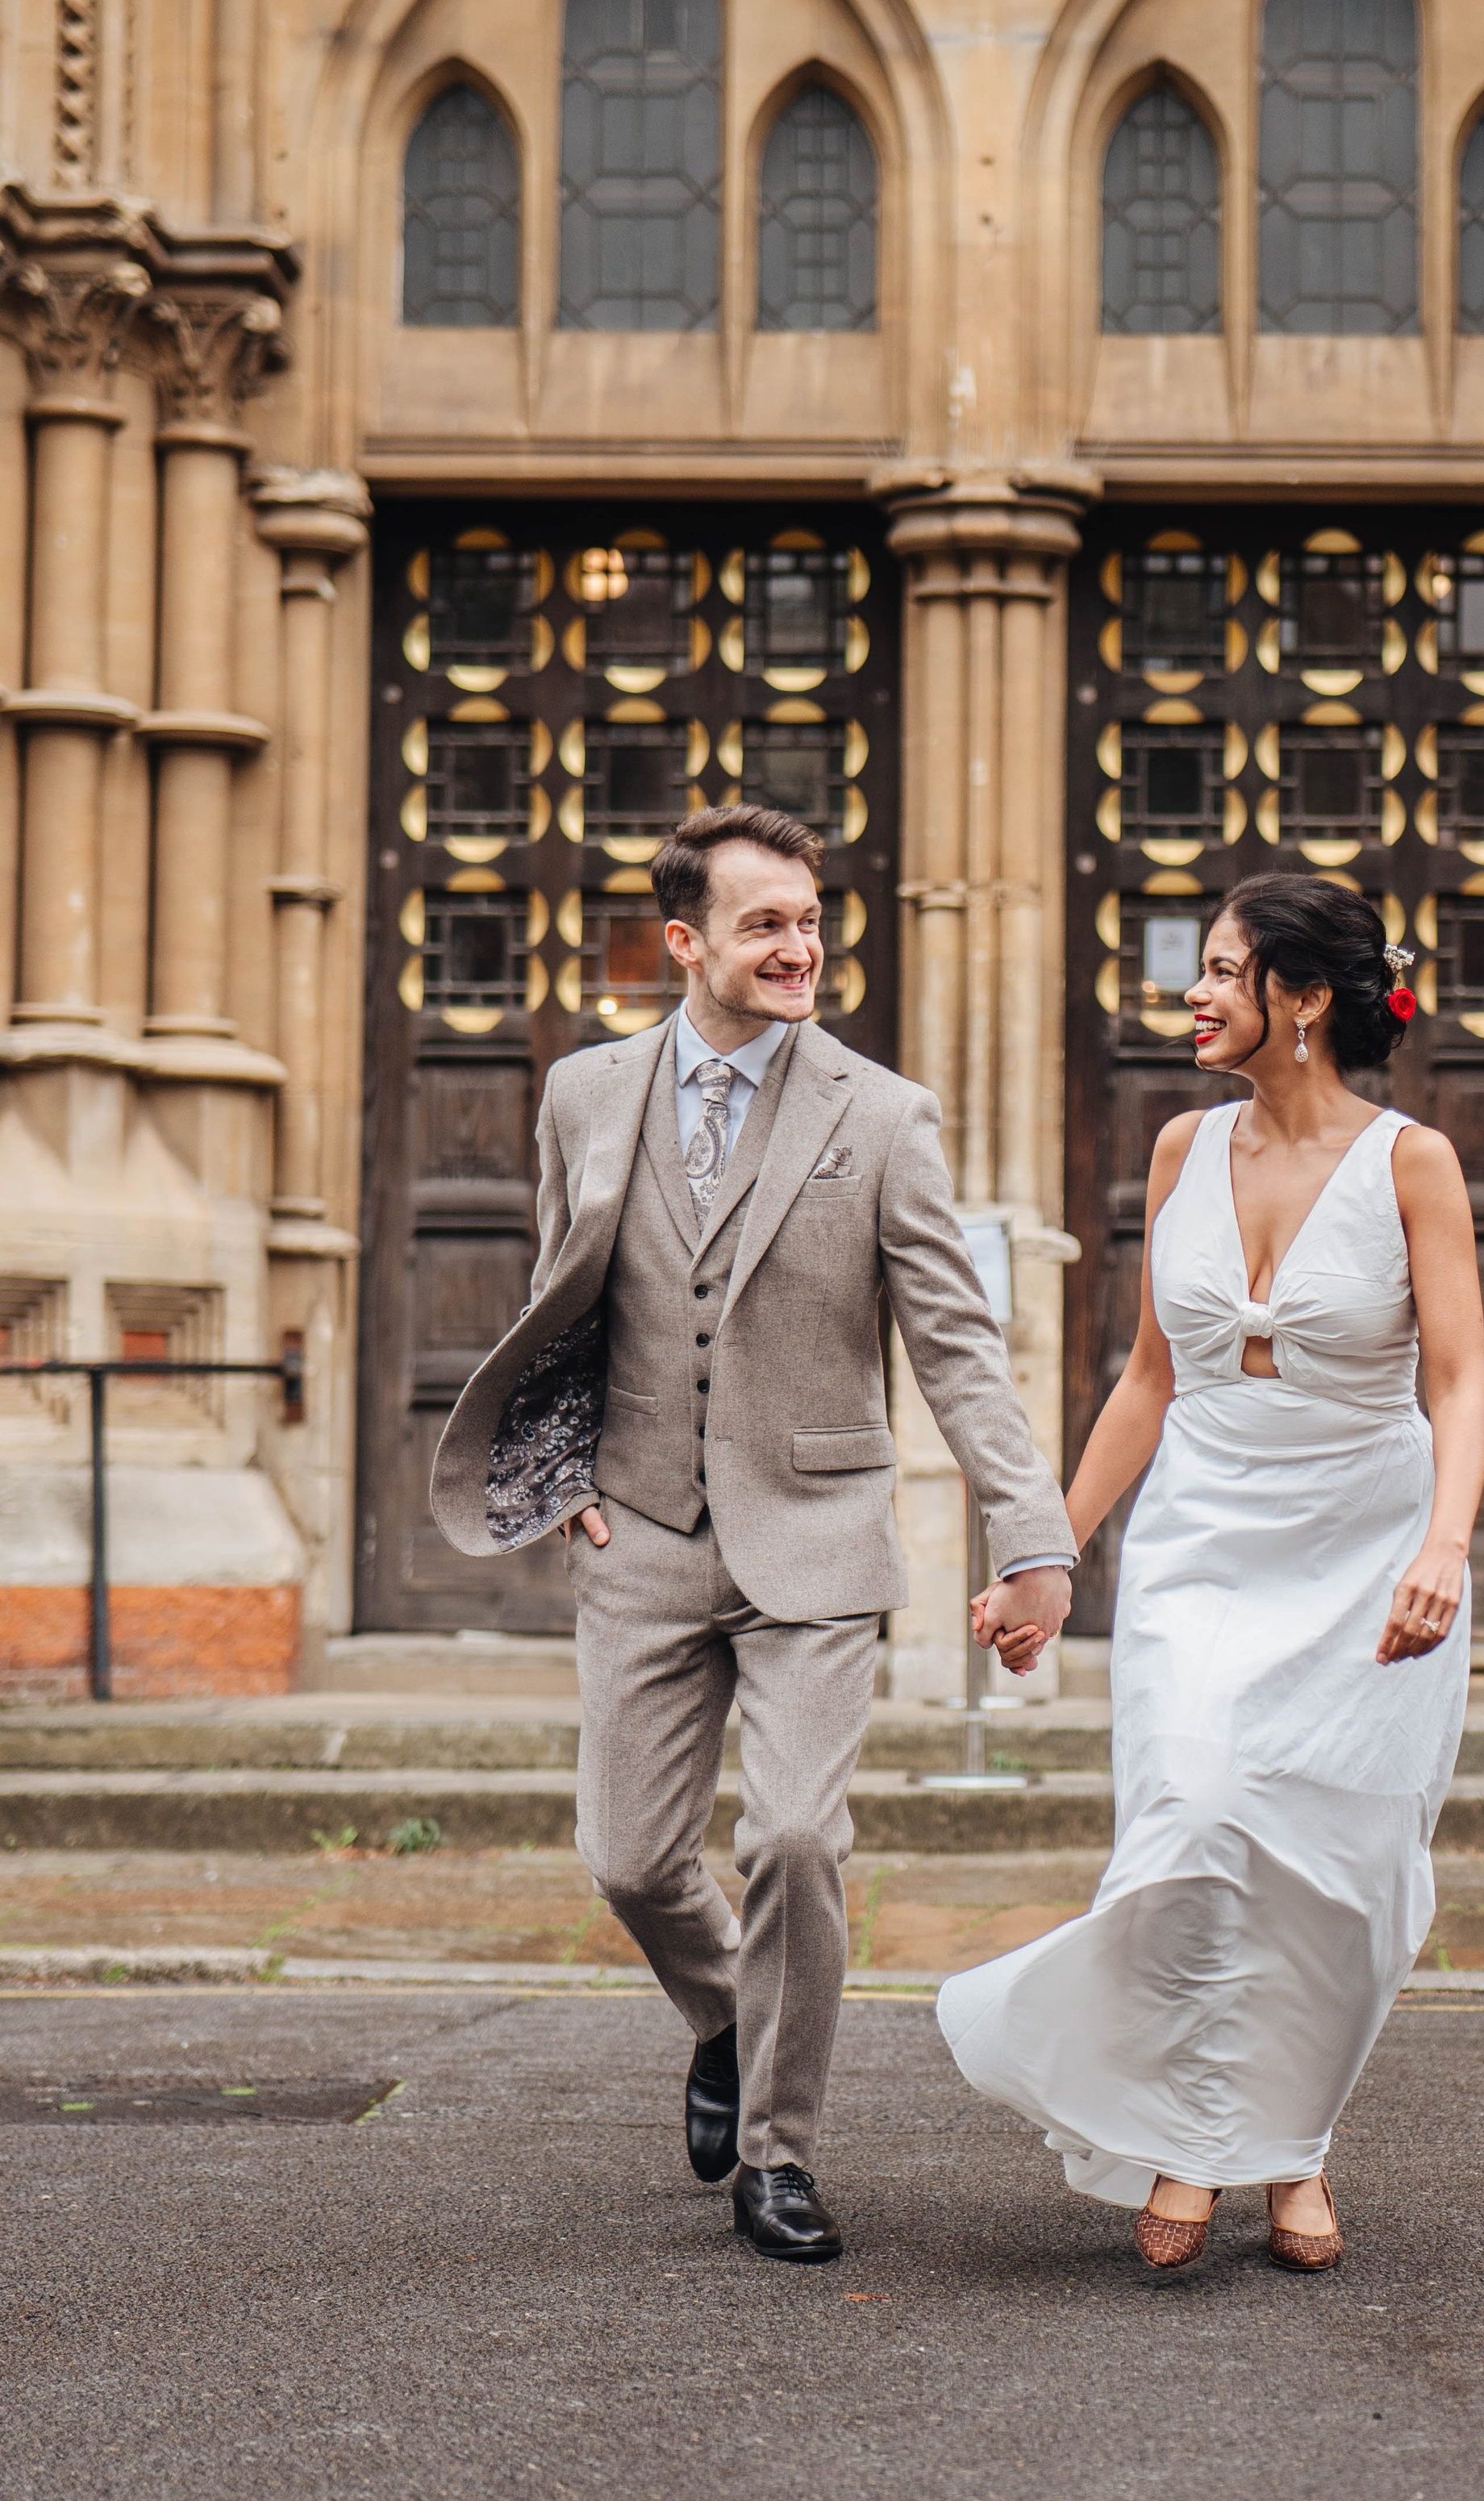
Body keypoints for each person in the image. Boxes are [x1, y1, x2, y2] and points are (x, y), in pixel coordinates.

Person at [431, 806, 1075, 2263]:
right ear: (686, 943)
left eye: (810, 921)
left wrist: (1028, 1535)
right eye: (767, 926)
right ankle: (729, 2017)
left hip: (821, 1532)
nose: (802, 949)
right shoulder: (584, 1096)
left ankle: (781, 2156)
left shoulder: (883, 1113)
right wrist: (562, 1472)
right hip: (642, 1532)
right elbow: (558, 1310)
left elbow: (957, 1348)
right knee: (629, 1858)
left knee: (793, 1837)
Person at [938, 873, 1484, 2273]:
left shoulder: (1412, 1162)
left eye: (1226, 970)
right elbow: (1143, 1382)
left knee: (1337, 1878)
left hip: (1369, 1543)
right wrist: (1045, 1553)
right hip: (1201, 1544)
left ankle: (1292, 2146)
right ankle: (1193, 2135)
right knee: (1189, 1831)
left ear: (1302, 1000)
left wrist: (1445, 1545)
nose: (1196, 993)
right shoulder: (1182, 1147)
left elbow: (1462, 1380)